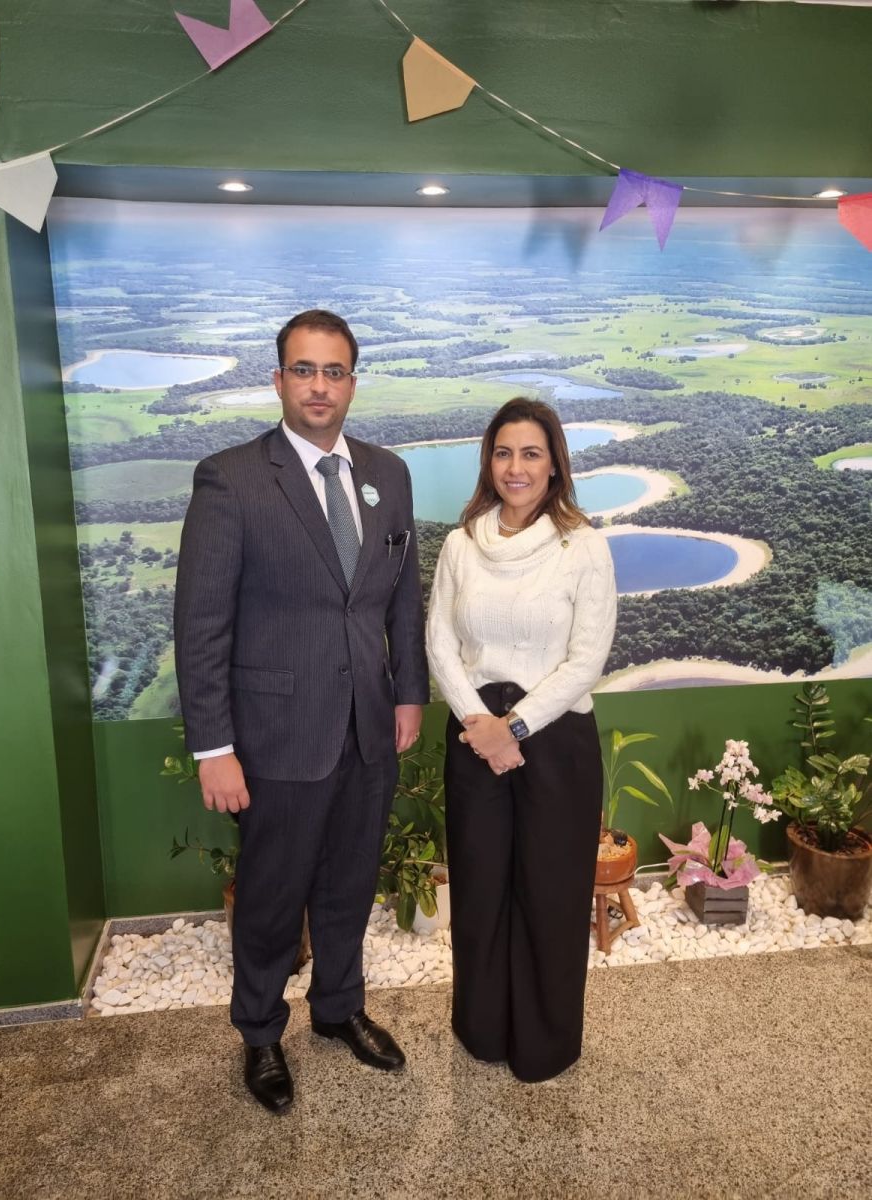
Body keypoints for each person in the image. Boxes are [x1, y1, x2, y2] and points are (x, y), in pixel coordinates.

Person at [174, 309, 429, 1114]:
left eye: (335, 371)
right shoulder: (231, 480)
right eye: (305, 370)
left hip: (368, 726)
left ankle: (338, 1008)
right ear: (279, 379)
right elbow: (201, 624)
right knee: (272, 894)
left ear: (353, 382)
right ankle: (259, 1032)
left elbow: (403, 600)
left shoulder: (388, 474)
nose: (320, 386)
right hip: (277, 736)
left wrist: (410, 692)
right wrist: (213, 747)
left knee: (351, 880)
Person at [426, 396, 617, 1084]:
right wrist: (481, 725)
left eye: (531, 453)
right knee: (480, 889)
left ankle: (544, 1043)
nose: (516, 467)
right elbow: (439, 643)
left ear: (554, 465)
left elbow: (586, 659)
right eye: (504, 453)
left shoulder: (582, 546)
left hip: (556, 742)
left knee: (551, 893)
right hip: (474, 735)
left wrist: (514, 728)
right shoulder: (462, 544)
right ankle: (481, 1029)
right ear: (489, 462)